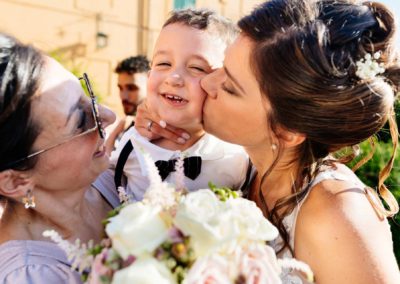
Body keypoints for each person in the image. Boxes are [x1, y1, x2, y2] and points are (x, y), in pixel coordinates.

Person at [136, 0, 400, 282]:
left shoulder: (337, 216)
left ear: (287, 130)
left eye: (229, 87)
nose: (208, 82)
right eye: (223, 66)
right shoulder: (242, 168)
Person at [95, 8, 249, 203]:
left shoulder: (235, 157)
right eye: (163, 64)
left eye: (196, 68)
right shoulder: (134, 143)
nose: (174, 78)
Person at [0, 33, 117, 283]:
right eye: (81, 121)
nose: (109, 115)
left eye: (89, 95)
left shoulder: (117, 175)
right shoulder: (30, 276)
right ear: (16, 181)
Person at [105, 55, 150, 154]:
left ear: (150, 87)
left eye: (131, 88)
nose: (123, 96)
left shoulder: (157, 130)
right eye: (120, 88)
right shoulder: (126, 124)